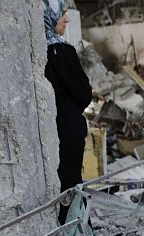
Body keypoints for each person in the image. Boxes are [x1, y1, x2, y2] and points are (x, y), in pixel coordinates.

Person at [43, 0, 92, 223]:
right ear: (50, 16)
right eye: (62, 13)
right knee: (72, 183)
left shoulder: (33, 52)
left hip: (49, 130)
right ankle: (76, 229)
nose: (66, 18)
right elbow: (83, 93)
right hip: (68, 129)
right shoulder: (61, 51)